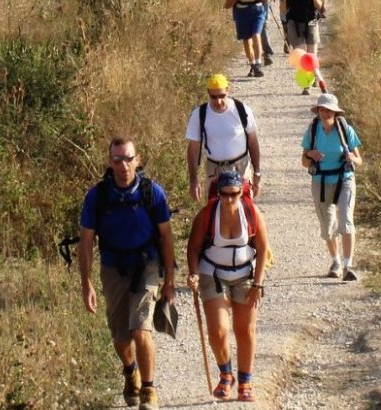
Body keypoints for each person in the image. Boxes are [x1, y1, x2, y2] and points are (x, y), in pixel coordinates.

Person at [78, 137, 176, 410]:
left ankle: (148, 389)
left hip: (146, 266)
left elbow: (166, 237)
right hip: (113, 268)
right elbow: (86, 241)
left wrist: (169, 281)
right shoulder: (97, 197)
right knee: (121, 336)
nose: (124, 166)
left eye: (128, 158)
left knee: (140, 327)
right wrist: (86, 283)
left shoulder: (151, 192)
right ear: (110, 162)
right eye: (118, 159)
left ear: (138, 159)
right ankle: (130, 370)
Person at [186, 170, 269, 402]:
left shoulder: (252, 213)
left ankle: (245, 381)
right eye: (225, 194)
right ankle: (225, 374)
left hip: (245, 275)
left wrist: (258, 284)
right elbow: (192, 248)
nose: (230, 199)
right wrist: (193, 273)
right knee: (218, 330)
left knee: (246, 330)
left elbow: (263, 250)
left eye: (234, 194)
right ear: (218, 193)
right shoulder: (207, 214)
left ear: (242, 193)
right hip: (212, 273)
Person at [300, 94, 363, 281]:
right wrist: (310, 154)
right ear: (318, 111)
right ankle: (335, 261)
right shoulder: (312, 131)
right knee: (327, 227)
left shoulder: (345, 130)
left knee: (345, 220)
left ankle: (347, 265)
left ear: (335, 113)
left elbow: (359, 160)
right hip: (320, 182)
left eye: (328, 110)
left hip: (344, 179)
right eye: (321, 109)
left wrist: (351, 158)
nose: (324, 113)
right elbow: (304, 162)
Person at [186, 74, 262, 202]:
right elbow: (192, 149)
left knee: (247, 209)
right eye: (213, 97)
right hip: (214, 170)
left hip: (241, 168)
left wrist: (257, 173)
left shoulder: (242, 110)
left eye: (222, 96)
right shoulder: (199, 114)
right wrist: (193, 180)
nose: (218, 101)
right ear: (208, 93)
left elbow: (253, 142)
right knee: (212, 210)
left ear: (228, 90)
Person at [280, 0, 324, 94]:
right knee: (302, 56)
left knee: (312, 56)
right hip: (294, 22)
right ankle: (306, 85)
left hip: (311, 20)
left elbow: (320, 7)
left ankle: (313, 76)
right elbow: (283, 10)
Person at [225, 0, 268, 77]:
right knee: (246, 39)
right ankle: (253, 64)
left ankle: (258, 64)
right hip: (241, 12)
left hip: (257, 10)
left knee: (256, 34)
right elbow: (228, 4)